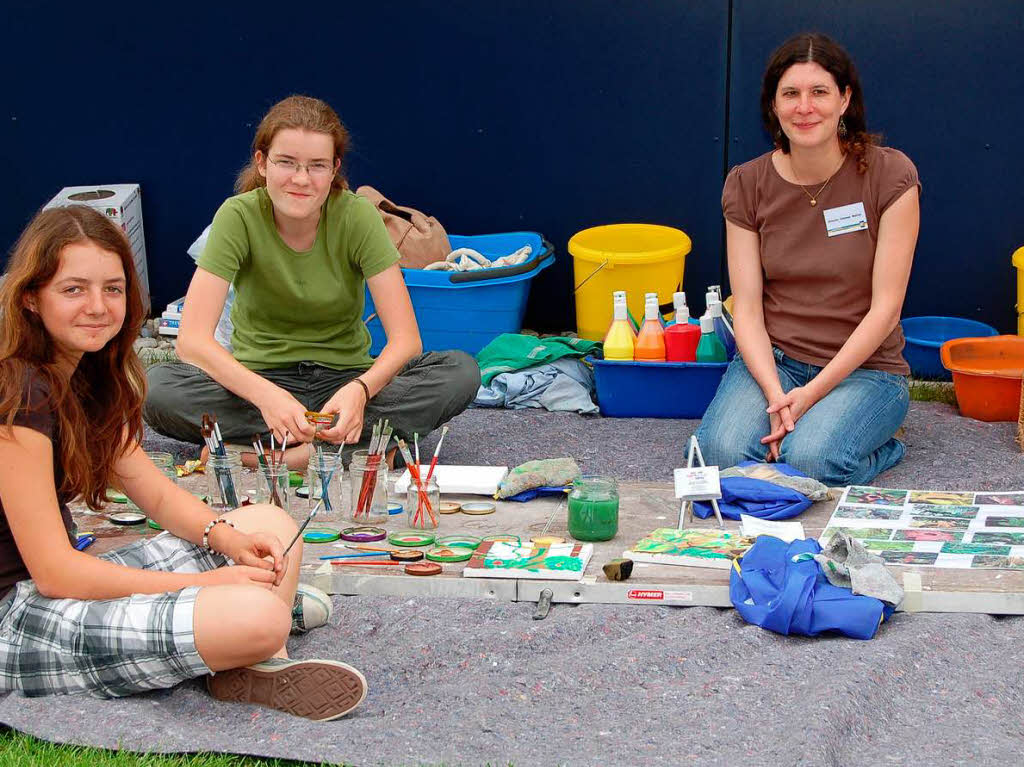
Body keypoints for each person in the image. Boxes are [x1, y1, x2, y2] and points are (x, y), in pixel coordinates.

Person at [0, 205, 364, 721]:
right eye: (74, 289)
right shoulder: (18, 391)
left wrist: (226, 539)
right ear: (32, 298)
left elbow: (157, 494)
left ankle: (247, 657)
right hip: (16, 618)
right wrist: (209, 584)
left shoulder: (94, 376)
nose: (98, 306)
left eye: (113, 288)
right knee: (260, 614)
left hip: (57, 590)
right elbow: (56, 573)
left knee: (269, 523)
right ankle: (254, 643)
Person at [143, 95, 480, 468]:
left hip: (343, 382)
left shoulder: (357, 217)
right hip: (258, 384)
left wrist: (360, 391)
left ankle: (273, 456)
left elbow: (406, 340)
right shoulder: (237, 217)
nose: (301, 179)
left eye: (317, 166)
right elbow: (192, 341)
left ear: (334, 169)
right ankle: (351, 450)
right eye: (286, 162)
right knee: (155, 389)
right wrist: (267, 397)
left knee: (461, 372)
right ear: (262, 163)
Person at [696, 33, 920, 486]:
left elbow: (886, 309)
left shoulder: (891, 175)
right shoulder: (746, 184)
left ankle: (882, 445)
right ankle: (803, 429)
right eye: (791, 94)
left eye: (819, 92)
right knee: (717, 458)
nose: (805, 107)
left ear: (844, 100)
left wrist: (810, 396)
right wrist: (778, 396)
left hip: (866, 371)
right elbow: (749, 309)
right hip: (775, 361)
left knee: (811, 462)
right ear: (774, 106)